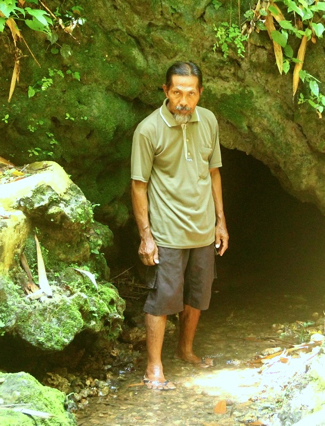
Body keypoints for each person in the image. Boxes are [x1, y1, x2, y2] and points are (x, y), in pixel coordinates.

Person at [130, 61, 229, 391]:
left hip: (202, 229)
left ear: (200, 93)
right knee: (161, 299)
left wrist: (221, 222)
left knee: (197, 295)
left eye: (190, 93)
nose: (183, 101)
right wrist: (146, 236)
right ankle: (153, 367)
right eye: (176, 92)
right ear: (165, 91)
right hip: (167, 231)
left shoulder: (210, 121)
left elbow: (214, 172)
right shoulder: (148, 130)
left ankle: (185, 350)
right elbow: (138, 185)